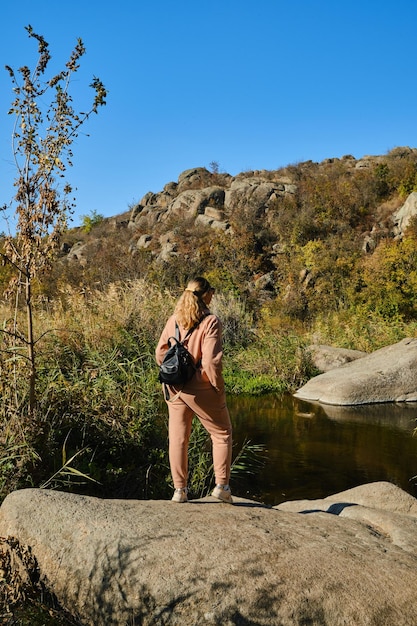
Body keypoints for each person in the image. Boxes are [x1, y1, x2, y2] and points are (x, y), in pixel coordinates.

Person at [155, 277, 233, 503]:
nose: (213, 295)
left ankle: (179, 491)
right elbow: (211, 362)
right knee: (221, 433)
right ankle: (222, 487)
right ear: (206, 294)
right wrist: (216, 386)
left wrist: (174, 374)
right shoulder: (210, 322)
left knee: (178, 439)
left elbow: (160, 353)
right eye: (212, 291)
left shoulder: (175, 319)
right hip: (200, 387)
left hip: (174, 388)